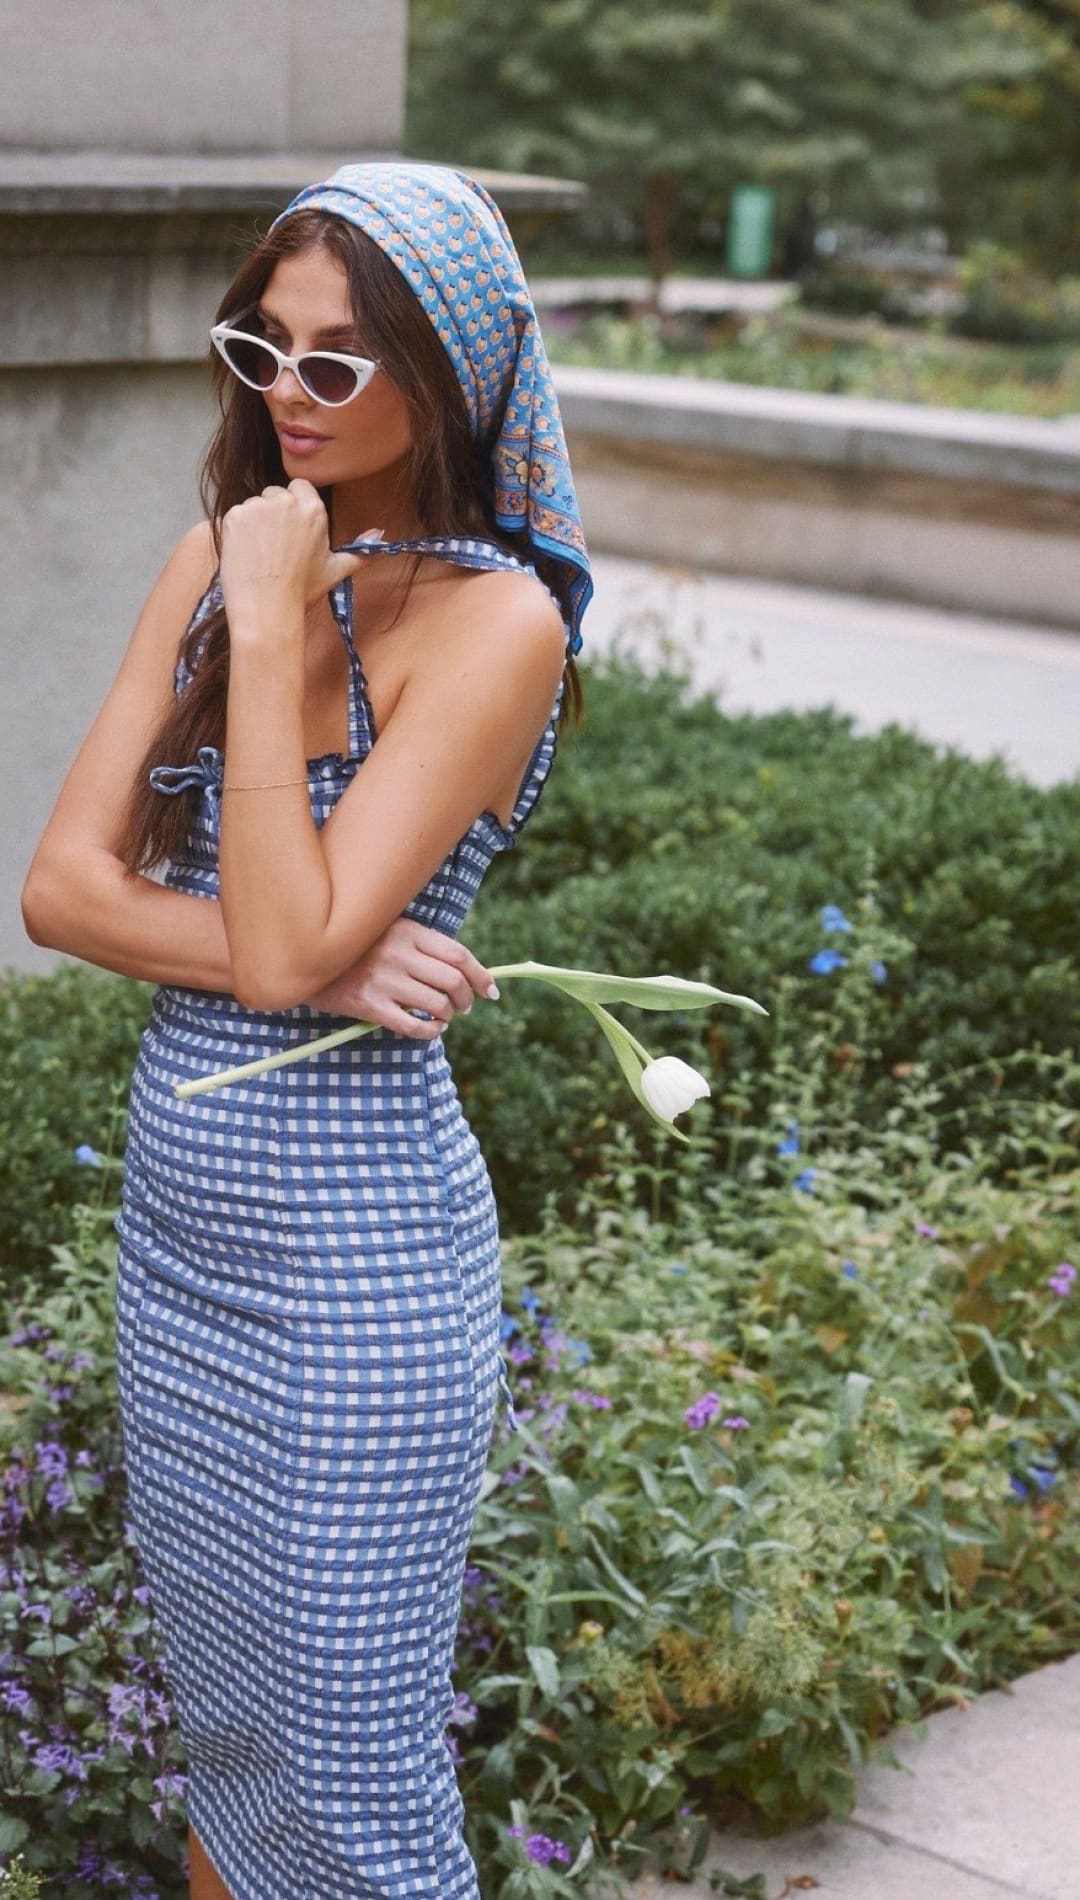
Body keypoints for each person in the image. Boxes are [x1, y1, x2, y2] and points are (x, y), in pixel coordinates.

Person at [21, 159, 593, 1900]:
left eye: (342, 361)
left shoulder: (497, 624)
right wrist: (328, 958)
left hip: (352, 1278)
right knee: (238, 1753)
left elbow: (264, 942)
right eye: (264, 346)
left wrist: (272, 624)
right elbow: (60, 888)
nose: (288, 394)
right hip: (180, 1250)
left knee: (353, 1786)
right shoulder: (217, 544)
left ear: (456, 370)